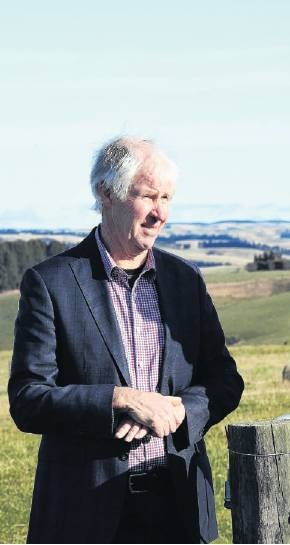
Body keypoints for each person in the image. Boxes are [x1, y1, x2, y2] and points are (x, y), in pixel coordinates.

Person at [8, 137, 244, 543]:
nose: (160, 213)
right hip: (86, 516)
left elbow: (225, 380)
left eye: (167, 198)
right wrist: (119, 399)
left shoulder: (186, 281)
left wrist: (179, 409)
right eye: (148, 196)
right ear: (106, 193)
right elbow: (28, 399)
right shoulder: (51, 283)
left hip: (179, 507)